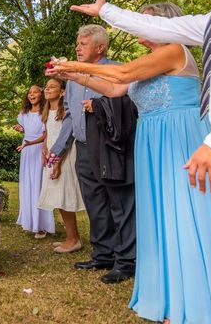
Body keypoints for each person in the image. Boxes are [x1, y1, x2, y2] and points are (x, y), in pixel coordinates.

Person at [51, 1, 211, 323]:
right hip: (152, 139)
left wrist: (78, 65)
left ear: (164, 25)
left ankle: (201, 297)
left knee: (186, 214)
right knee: (162, 216)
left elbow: (122, 73)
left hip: (179, 137)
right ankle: (172, 295)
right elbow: (114, 88)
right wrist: (74, 75)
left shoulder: (175, 51)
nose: (139, 24)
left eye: (145, 20)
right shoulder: (151, 59)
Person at [70, 0, 211, 259]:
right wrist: (105, 10)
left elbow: (122, 75)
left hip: (209, 139)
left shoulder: (201, 34)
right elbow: (151, 29)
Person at [49, 25, 136, 284]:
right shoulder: (74, 78)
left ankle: (127, 260)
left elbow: (129, 103)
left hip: (112, 147)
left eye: (83, 44)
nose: (77, 47)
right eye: (77, 43)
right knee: (95, 203)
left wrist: (99, 106)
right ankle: (103, 254)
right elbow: (69, 117)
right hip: (84, 149)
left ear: (100, 48)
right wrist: (58, 150)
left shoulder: (116, 70)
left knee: (119, 203)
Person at [37, 78, 85, 253]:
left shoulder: (65, 111)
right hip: (52, 157)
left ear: (63, 91)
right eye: (46, 86)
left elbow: (66, 138)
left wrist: (57, 162)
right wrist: (44, 147)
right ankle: (72, 237)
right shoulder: (47, 111)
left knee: (64, 198)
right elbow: (49, 132)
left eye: (52, 86)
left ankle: (73, 239)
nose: (47, 89)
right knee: (58, 199)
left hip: (63, 158)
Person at [13, 85, 53, 237]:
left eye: (35, 91)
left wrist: (31, 143)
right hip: (26, 151)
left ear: (41, 94)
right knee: (27, 184)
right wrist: (20, 128)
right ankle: (29, 221)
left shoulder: (45, 112)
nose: (31, 94)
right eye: (29, 92)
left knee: (38, 185)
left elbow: (46, 134)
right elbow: (25, 128)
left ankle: (41, 225)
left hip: (38, 150)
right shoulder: (24, 113)